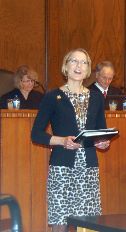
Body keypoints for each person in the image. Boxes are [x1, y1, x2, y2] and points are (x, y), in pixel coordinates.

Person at [31, 48, 110, 232]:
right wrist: (61, 141)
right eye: (74, 61)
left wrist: (102, 143)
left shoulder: (96, 97)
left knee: (89, 222)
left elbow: (100, 132)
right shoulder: (52, 96)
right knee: (61, 222)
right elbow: (36, 134)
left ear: (88, 69)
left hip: (88, 168)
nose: (78, 66)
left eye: (83, 62)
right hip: (62, 168)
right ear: (66, 66)